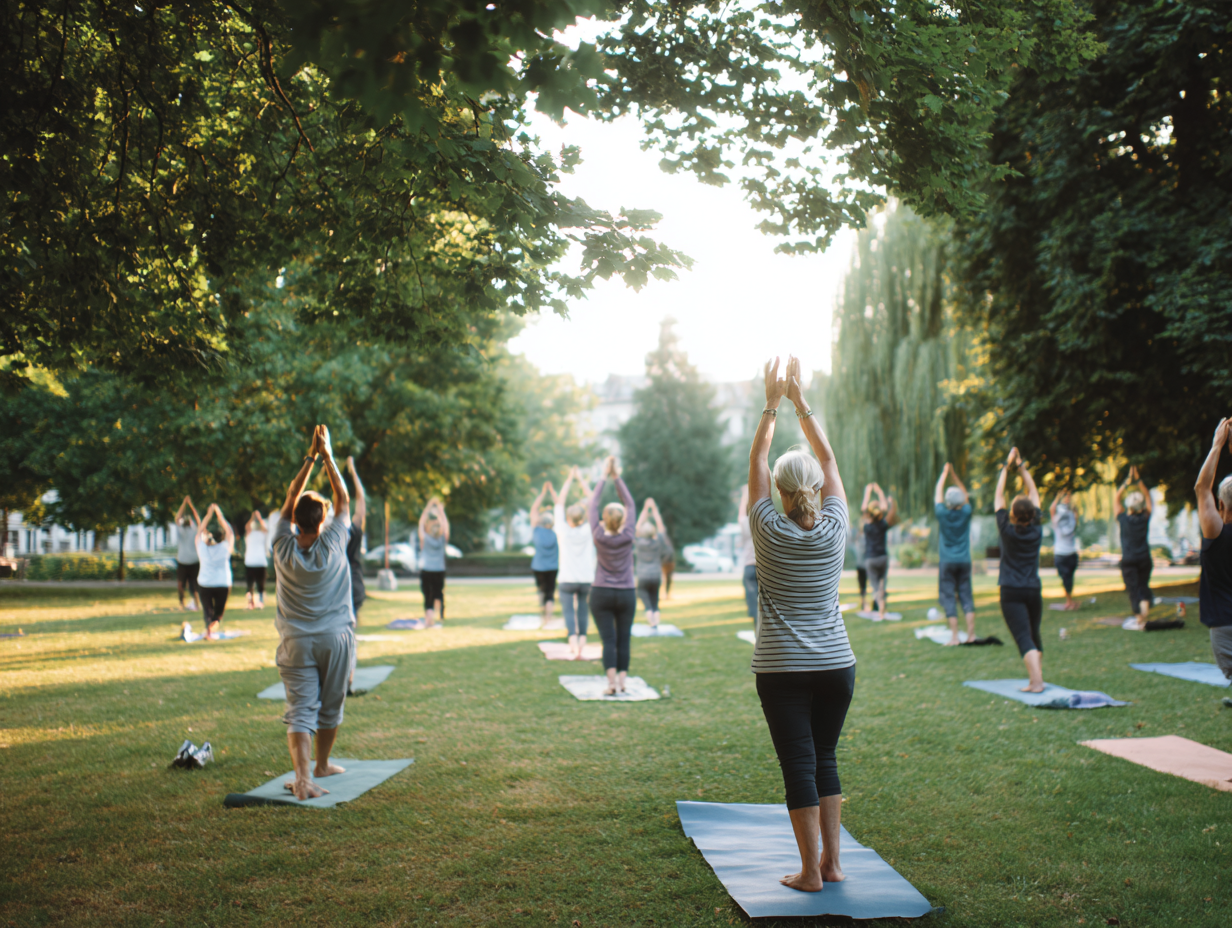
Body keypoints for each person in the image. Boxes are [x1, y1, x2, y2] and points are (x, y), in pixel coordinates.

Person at [748, 356, 854, 893]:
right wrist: (799, 402)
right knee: (826, 757)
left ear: (780, 493)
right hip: (837, 664)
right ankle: (833, 865)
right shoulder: (835, 525)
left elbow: (758, 462)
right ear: (814, 487)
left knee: (799, 765)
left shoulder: (767, 526)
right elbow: (830, 458)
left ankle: (812, 873)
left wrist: (770, 404)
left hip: (783, 670)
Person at [271, 425, 355, 801]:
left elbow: (291, 496)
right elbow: (344, 500)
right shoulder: (335, 541)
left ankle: (304, 778)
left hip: (295, 641)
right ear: (322, 521)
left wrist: (310, 458)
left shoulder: (281, 544)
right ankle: (321, 764)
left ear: (295, 520)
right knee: (331, 703)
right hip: (335, 638)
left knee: (300, 709)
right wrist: (329, 457)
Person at [994, 447, 1045, 692]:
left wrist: (1006, 467)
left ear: (1012, 514)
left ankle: (1037, 682)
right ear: (1033, 514)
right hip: (1033, 589)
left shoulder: (1006, 529)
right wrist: (1022, 467)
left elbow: (998, 497)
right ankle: (1036, 677)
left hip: (1011, 591)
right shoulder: (1037, 529)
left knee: (1023, 636)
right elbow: (1033, 491)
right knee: (1033, 633)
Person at [588, 455, 637, 696]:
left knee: (608, 640)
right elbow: (630, 504)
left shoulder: (598, 534)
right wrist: (616, 476)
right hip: (626, 593)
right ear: (623, 520)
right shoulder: (628, 534)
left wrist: (603, 477)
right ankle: (623, 682)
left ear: (604, 520)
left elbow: (592, 505)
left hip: (601, 592)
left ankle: (610, 685)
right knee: (623, 640)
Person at [1193, 418, 1232, 690]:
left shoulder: (1216, 533)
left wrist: (1218, 444)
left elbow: (1201, 488)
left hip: (1225, 628)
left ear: (1220, 504)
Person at [555, 466, 597, 659]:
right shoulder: (589, 530)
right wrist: (581, 479)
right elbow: (593, 502)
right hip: (586, 578)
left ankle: (572, 642)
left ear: (568, 518)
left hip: (567, 579)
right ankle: (582, 643)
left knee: (568, 612)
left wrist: (569, 479)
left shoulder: (562, 530)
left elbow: (559, 502)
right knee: (583, 612)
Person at [934, 463, 975, 645]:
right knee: (966, 594)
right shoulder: (966, 512)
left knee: (949, 596)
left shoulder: (942, 513)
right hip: (964, 561)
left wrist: (944, 475)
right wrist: (956, 477)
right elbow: (965, 496)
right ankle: (971, 635)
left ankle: (955, 637)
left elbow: (937, 494)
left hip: (947, 562)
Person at [1115, 465, 1154, 629]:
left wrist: (1126, 482)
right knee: (1143, 585)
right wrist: (1138, 481)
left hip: (1129, 560)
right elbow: (1147, 495)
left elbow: (1116, 499)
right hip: (1145, 558)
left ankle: (1139, 619)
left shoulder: (1123, 518)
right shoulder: (1145, 517)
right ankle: (1145, 604)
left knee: (1133, 589)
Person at [195, 504, 235, 639]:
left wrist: (208, 516)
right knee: (218, 613)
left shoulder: (202, 548)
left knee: (207, 610)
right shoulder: (225, 548)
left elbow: (199, 532)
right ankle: (212, 627)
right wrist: (220, 516)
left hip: (205, 583)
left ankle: (208, 629)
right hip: (223, 583)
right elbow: (230, 533)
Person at [860, 482, 898, 621]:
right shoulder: (883, 524)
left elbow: (864, 508)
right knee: (883, 584)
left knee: (875, 587)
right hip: (883, 557)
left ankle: (880, 608)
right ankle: (883, 607)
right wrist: (881, 493)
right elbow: (887, 510)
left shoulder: (867, 526)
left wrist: (867, 492)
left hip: (871, 558)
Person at [529, 481, 560, 629]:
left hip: (538, 567)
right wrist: (553, 493)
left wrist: (543, 493)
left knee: (541, 590)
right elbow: (559, 507)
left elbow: (534, 509)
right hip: (553, 567)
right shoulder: (557, 533)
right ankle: (548, 618)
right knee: (550, 592)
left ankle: (543, 614)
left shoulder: (536, 531)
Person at [634, 498, 669, 628]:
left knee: (645, 598)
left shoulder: (639, 542)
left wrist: (644, 510)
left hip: (643, 576)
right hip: (656, 575)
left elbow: (637, 526)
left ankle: (650, 617)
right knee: (655, 598)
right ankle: (656, 621)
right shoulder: (658, 541)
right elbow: (661, 527)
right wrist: (654, 510)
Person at [418, 497, 449, 627]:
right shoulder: (442, 539)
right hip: (439, 570)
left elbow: (420, 524)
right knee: (437, 593)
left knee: (427, 595)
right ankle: (435, 617)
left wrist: (428, 506)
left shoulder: (424, 538)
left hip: (426, 570)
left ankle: (428, 618)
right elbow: (446, 526)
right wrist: (441, 511)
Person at [345, 457, 368, 623]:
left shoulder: (331, 531)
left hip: (341, 579)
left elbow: (360, 500)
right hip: (352, 578)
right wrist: (353, 471)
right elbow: (361, 499)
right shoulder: (353, 529)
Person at [1050, 491, 1080, 611]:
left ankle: (1069, 601)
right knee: (1067, 578)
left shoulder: (1062, 519)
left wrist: (1061, 497)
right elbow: (1052, 509)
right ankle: (1069, 601)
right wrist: (1063, 498)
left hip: (1066, 554)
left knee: (1067, 578)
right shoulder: (1066, 518)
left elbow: (1052, 509)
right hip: (1067, 554)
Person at [173, 496, 202, 611]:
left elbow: (198, 519)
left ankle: (196, 603)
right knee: (180, 585)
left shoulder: (195, 530)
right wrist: (184, 504)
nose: (186, 520)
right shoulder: (180, 530)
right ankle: (182, 604)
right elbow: (177, 518)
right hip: (183, 561)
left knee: (194, 586)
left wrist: (190, 506)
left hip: (194, 562)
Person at [738, 483, 759, 626]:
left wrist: (745, 493)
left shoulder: (747, 525)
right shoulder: (766, 525)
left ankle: (758, 635)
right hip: (765, 569)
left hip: (750, 568)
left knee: (754, 606)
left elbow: (740, 514)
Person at [244, 510, 270, 610]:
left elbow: (265, 528)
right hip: (250, 561)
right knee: (250, 585)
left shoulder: (263, 534)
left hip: (260, 562)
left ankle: (260, 602)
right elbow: (247, 527)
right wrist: (252, 517)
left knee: (261, 585)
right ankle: (251, 603)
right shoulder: (249, 534)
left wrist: (259, 518)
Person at [660, 529, 676, 599]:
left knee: (667, 579)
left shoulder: (665, 541)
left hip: (668, 563)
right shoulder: (663, 542)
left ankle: (666, 594)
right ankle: (665, 594)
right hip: (666, 563)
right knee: (666, 580)